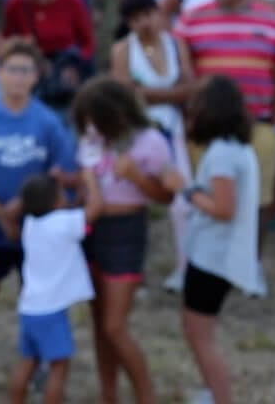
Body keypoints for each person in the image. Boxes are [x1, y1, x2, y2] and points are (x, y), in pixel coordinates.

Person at [0, 44, 76, 394]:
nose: (18, 78)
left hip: (36, 232)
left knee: (36, 298)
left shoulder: (48, 122)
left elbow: (63, 171)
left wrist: (24, 206)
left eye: (26, 70)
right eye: (12, 69)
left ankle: (35, 361)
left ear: (37, 76)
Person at [160, 75, 266, 404]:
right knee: (196, 331)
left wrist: (185, 189)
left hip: (212, 257)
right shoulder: (238, 149)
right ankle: (212, 392)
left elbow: (223, 208)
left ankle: (220, 397)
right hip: (215, 255)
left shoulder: (222, 154)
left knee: (200, 336)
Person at [71, 76, 174, 404]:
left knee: (115, 325)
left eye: (94, 118)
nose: (90, 126)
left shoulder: (150, 141)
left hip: (126, 231)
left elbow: (166, 195)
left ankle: (146, 395)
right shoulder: (91, 138)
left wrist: (136, 178)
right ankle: (109, 393)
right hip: (92, 230)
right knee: (100, 323)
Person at [174, 0, 275, 233]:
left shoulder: (272, 23)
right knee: (208, 197)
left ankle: (253, 264)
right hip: (206, 128)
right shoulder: (191, 19)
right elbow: (183, 76)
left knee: (258, 200)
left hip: (257, 125)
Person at [110, 0, 197, 288]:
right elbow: (125, 94)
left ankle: (185, 267)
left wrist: (147, 93)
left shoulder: (176, 45)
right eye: (136, 19)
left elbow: (189, 87)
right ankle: (134, 270)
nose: (144, 24)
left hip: (172, 130)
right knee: (135, 200)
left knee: (181, 202)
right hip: (138, 132)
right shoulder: (123, 50)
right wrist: (171, 94)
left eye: (148, 15)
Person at [9, 169, 104, 404]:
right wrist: (91, 181)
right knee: (58, 368)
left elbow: (71, 211)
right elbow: (96, 210)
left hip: (29, 307)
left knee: (27, 362)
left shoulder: (30, 224)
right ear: (54, 201)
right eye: (62, 193)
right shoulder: (63, 223)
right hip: (52, 311)